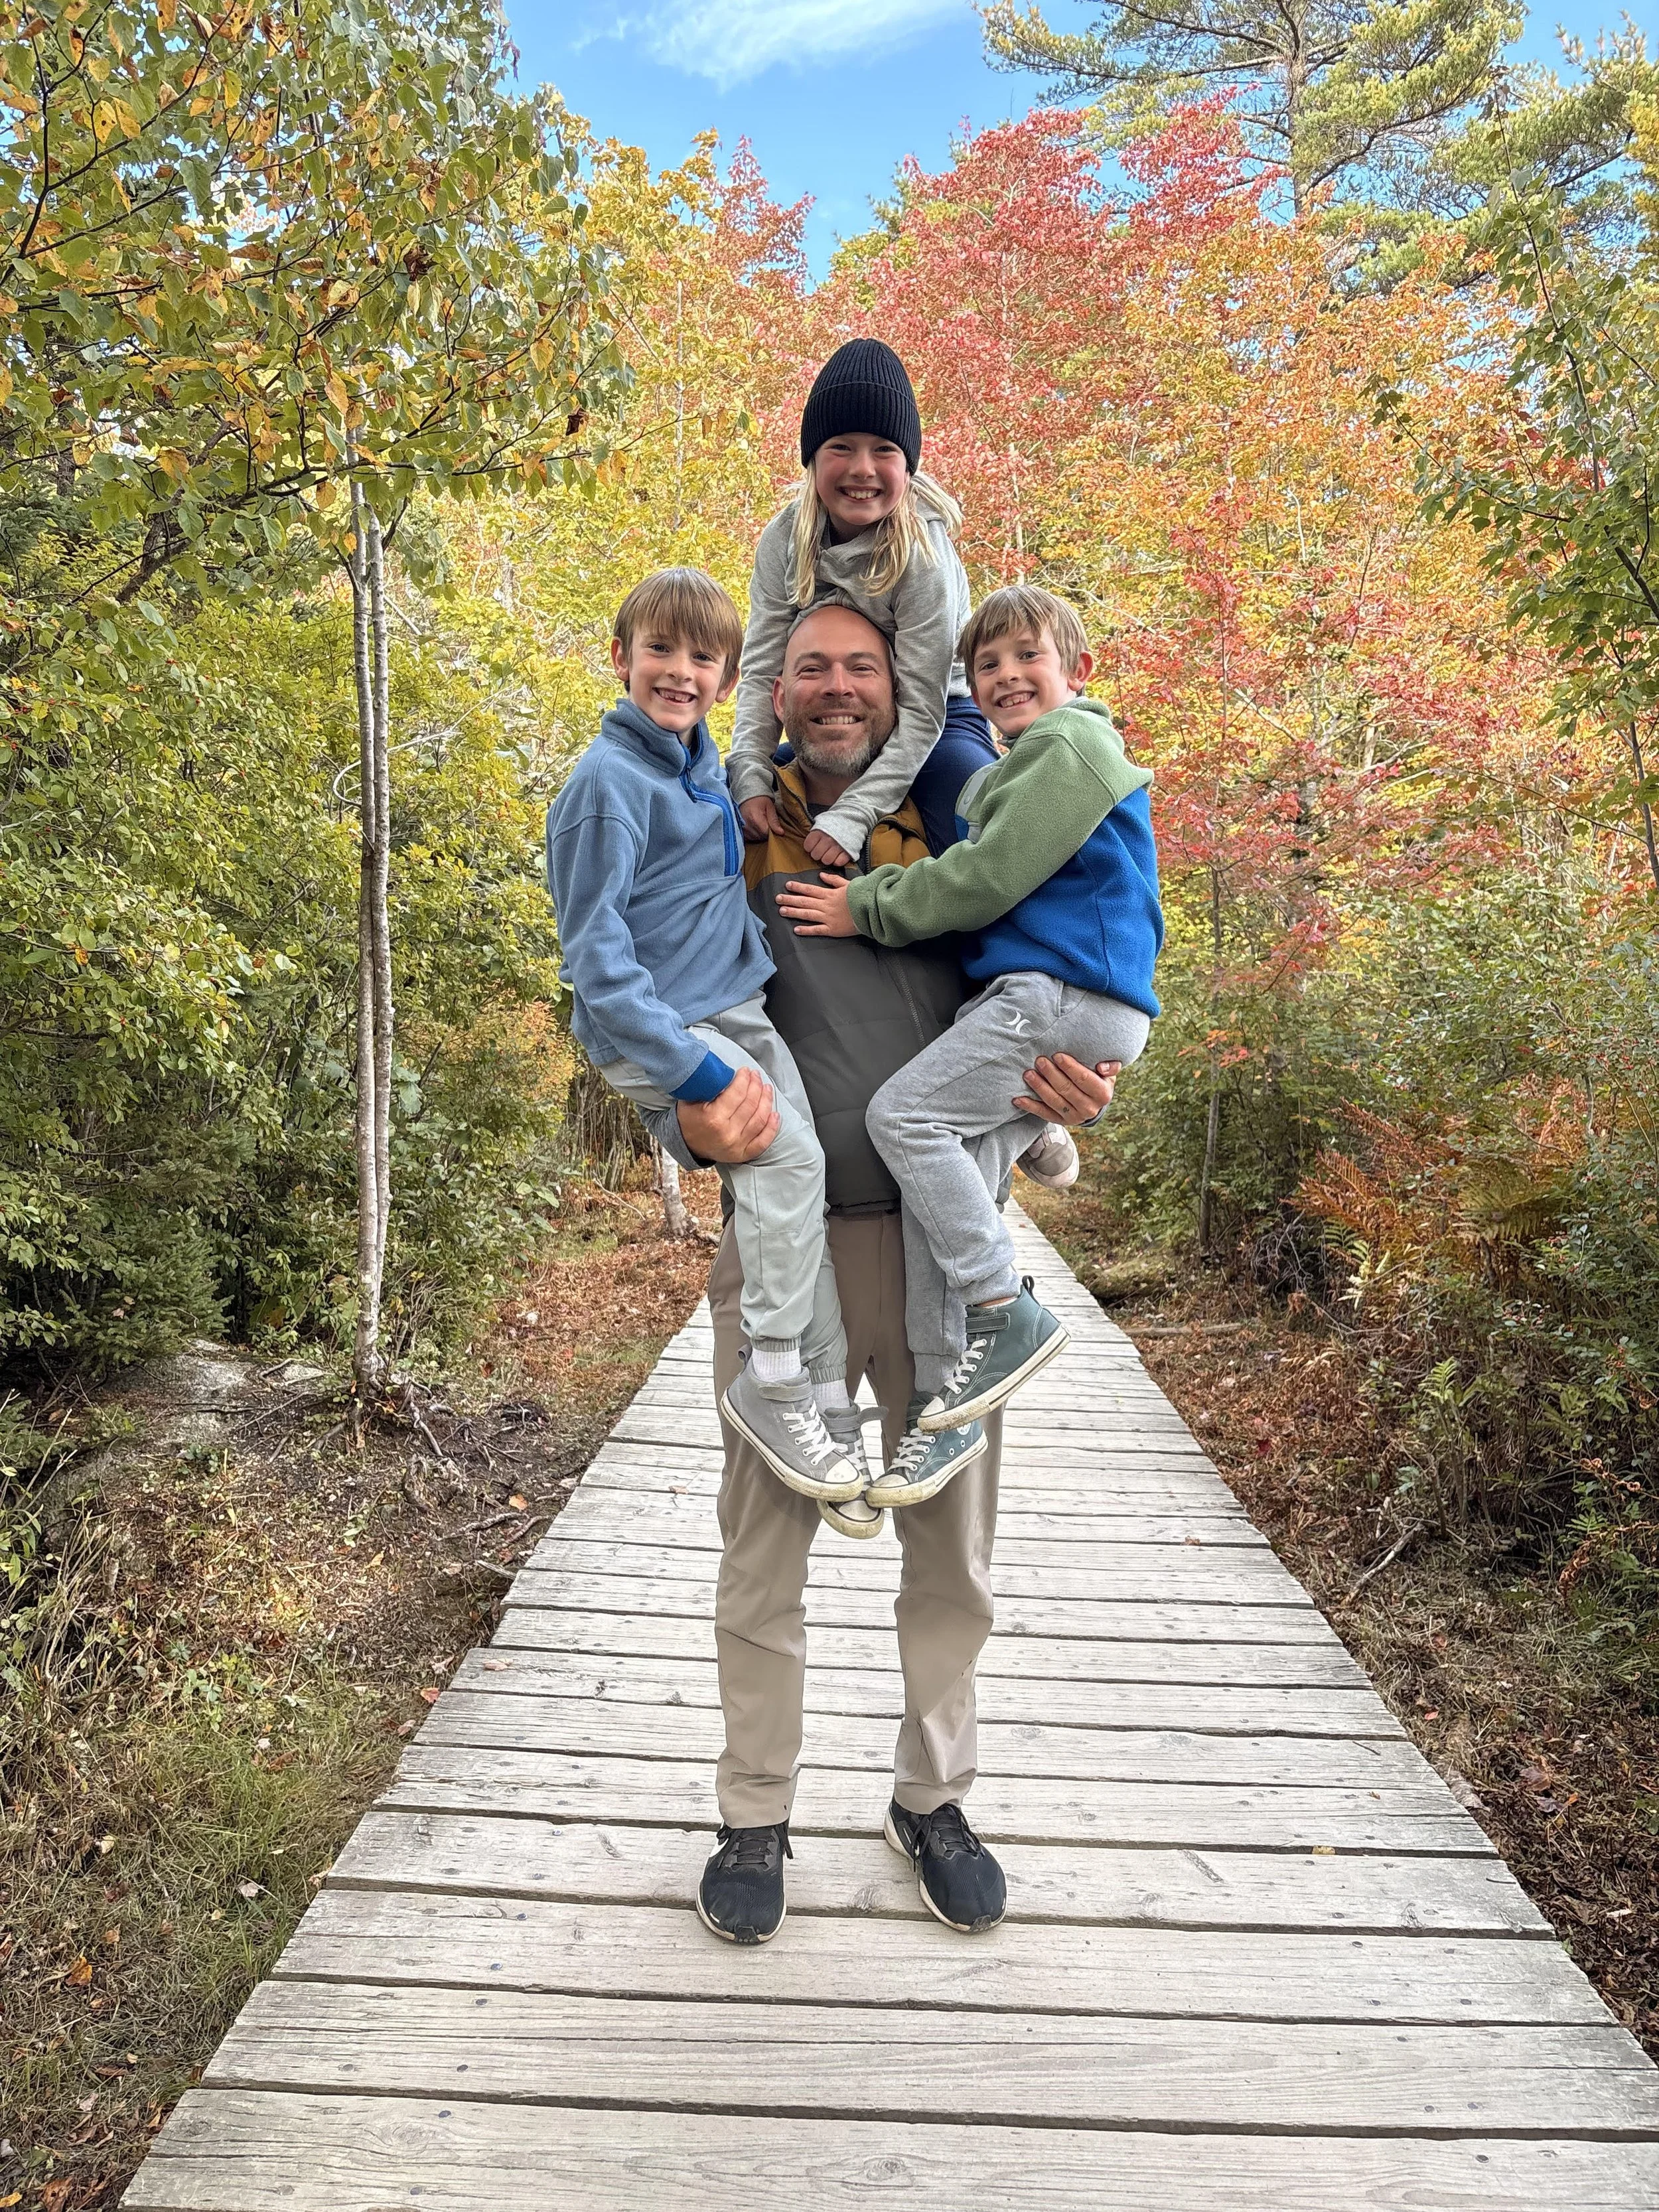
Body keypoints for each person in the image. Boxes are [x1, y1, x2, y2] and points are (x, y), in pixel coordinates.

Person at [648, 602, 1119, 1945]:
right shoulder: (723, 832)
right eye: (811, 667)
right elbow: (657, 1015)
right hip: (782, 1253)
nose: (838, 687)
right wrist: (679, 1122)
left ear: (898, 682)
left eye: (863, 664)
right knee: (760, 1551)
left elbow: (1063, 977)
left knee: (951, 1552)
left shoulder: (978, 806)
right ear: (775, 688)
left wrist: (1071, 1098)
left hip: (943, 1240)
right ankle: (753, 1810)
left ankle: (932, 1795)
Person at [778, 583, 1163, 1498]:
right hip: (1060, 997)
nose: (1005, 676)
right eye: (985, 665)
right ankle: (945, 1414)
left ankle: (1004, 1306)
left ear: (1080, 670)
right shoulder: (1017, 763)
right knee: (953, 1192)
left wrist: (864, 903)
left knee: (905, 1117)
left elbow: (985, 877)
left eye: (1027, 657)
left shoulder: (1072, 747)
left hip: (1056, 996)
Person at [544, 567, 862, 1508]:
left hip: (730, 1008)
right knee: (789, 1170)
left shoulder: (695, 764)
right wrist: (687, 1070)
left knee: (809, 1184)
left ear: (726, 681)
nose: (679, 671)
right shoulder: (608, 784)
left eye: (702, 657)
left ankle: (832, 1401)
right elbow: (594, 959)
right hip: (670, 1025)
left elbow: (752, 737)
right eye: (660, 650)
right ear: (619, 659)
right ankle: (772, 1380)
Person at [727, 337, 992, 867]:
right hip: (835, 714)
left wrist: (857, 811)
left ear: (909, 465)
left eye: (884, 450)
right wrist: (750, 771)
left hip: (937, 715)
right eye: (841, 447)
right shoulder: (783, 540)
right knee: (726, 799)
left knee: (975, 818)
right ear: (813, 459)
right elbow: (760, 670)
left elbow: (922, 711)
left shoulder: (924, 558)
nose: (862, 469)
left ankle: (991, 946)